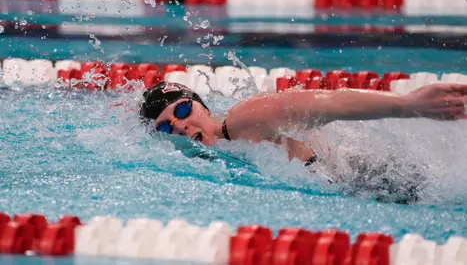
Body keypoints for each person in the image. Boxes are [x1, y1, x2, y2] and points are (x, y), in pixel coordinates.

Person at [138, 80, 467, 182]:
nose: (179, 125)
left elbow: (327, 103)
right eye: (166, 126)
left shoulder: (241, 121)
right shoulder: (217, 150)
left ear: (203, 106)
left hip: (369, 179)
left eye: (182, 109)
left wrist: (407, 105)